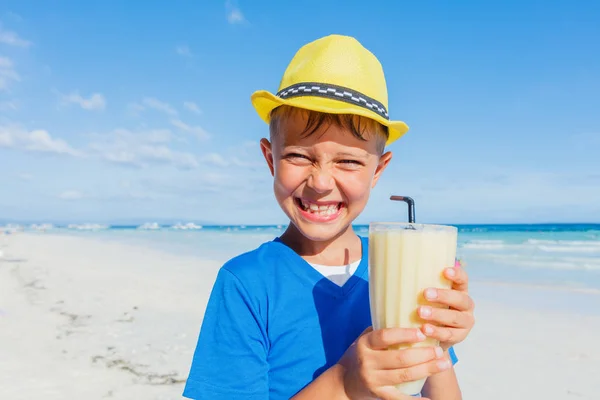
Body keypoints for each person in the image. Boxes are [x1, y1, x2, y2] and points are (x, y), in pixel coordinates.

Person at [183, 34, 475, 400]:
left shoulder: (398, 271)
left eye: (349, 161)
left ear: (378, 170)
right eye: (299, 156)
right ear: (270, 158)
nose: (320, 182)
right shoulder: (246, 284)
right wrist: (344, 382)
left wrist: (439, 340)